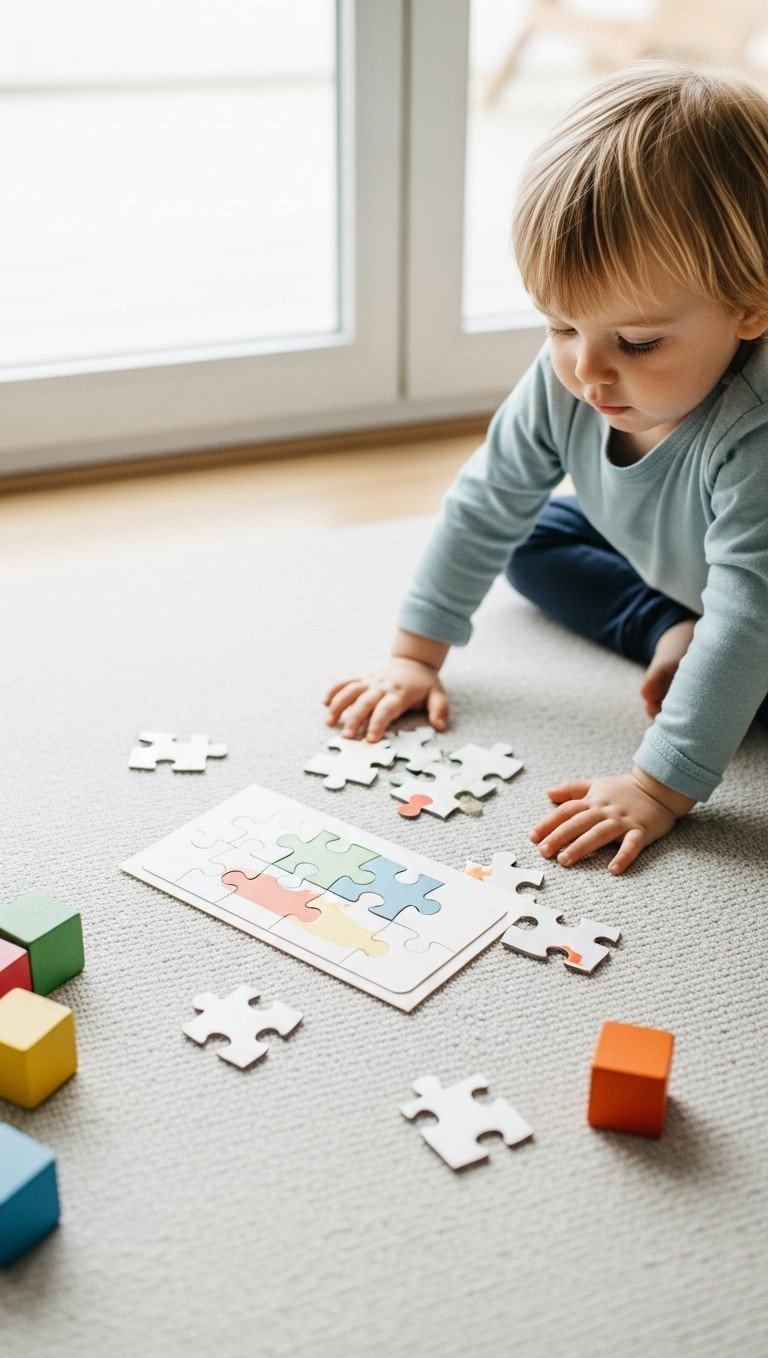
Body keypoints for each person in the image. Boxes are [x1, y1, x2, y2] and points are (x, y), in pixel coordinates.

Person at [324, 61, 768, 874]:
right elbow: (490, 498)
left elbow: (750, 612)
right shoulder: (572, 374)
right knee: (536, 535)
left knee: (744, 644)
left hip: (758, 602)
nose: (588, 370)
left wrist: (659, 785)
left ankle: (701, 649)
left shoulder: (755, 436)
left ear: (750, 305)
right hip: (693, 578)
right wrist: (414, 656)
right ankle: (670, 630)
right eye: (560, 325)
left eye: (636, 343)